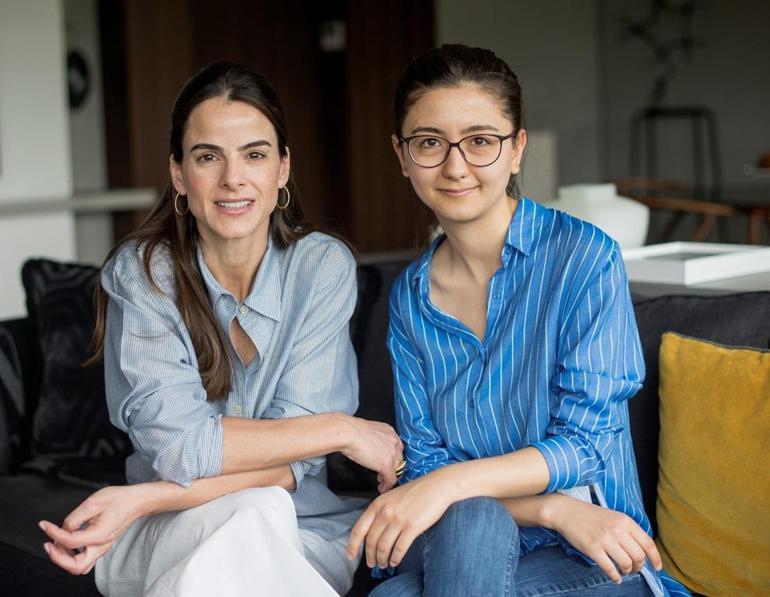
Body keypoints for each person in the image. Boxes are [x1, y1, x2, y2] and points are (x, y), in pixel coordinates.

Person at [37, 61, 404, 597]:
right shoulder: (143, 274)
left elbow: (295, 468)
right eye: (208, 157)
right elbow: (181, 449)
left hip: (297, 530)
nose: (233, 178)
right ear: (179, 175)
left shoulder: (321, 267)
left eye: (254, 154)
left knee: (257, 512)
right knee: (251, 514)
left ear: (282, 169)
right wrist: (342, 429)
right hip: (170, 533)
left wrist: (146, 496)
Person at [346, 45, 690, 597]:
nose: (455, 166)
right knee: (471, 520)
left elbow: (584, 446)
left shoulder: (584, 258)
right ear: (401, 155)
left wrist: (450, 484)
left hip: (595, 559)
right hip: (474, 541)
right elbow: (426, 467)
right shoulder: (410, 297)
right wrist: (549, 509)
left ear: (516, 148)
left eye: (480, 141)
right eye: (429, 143)